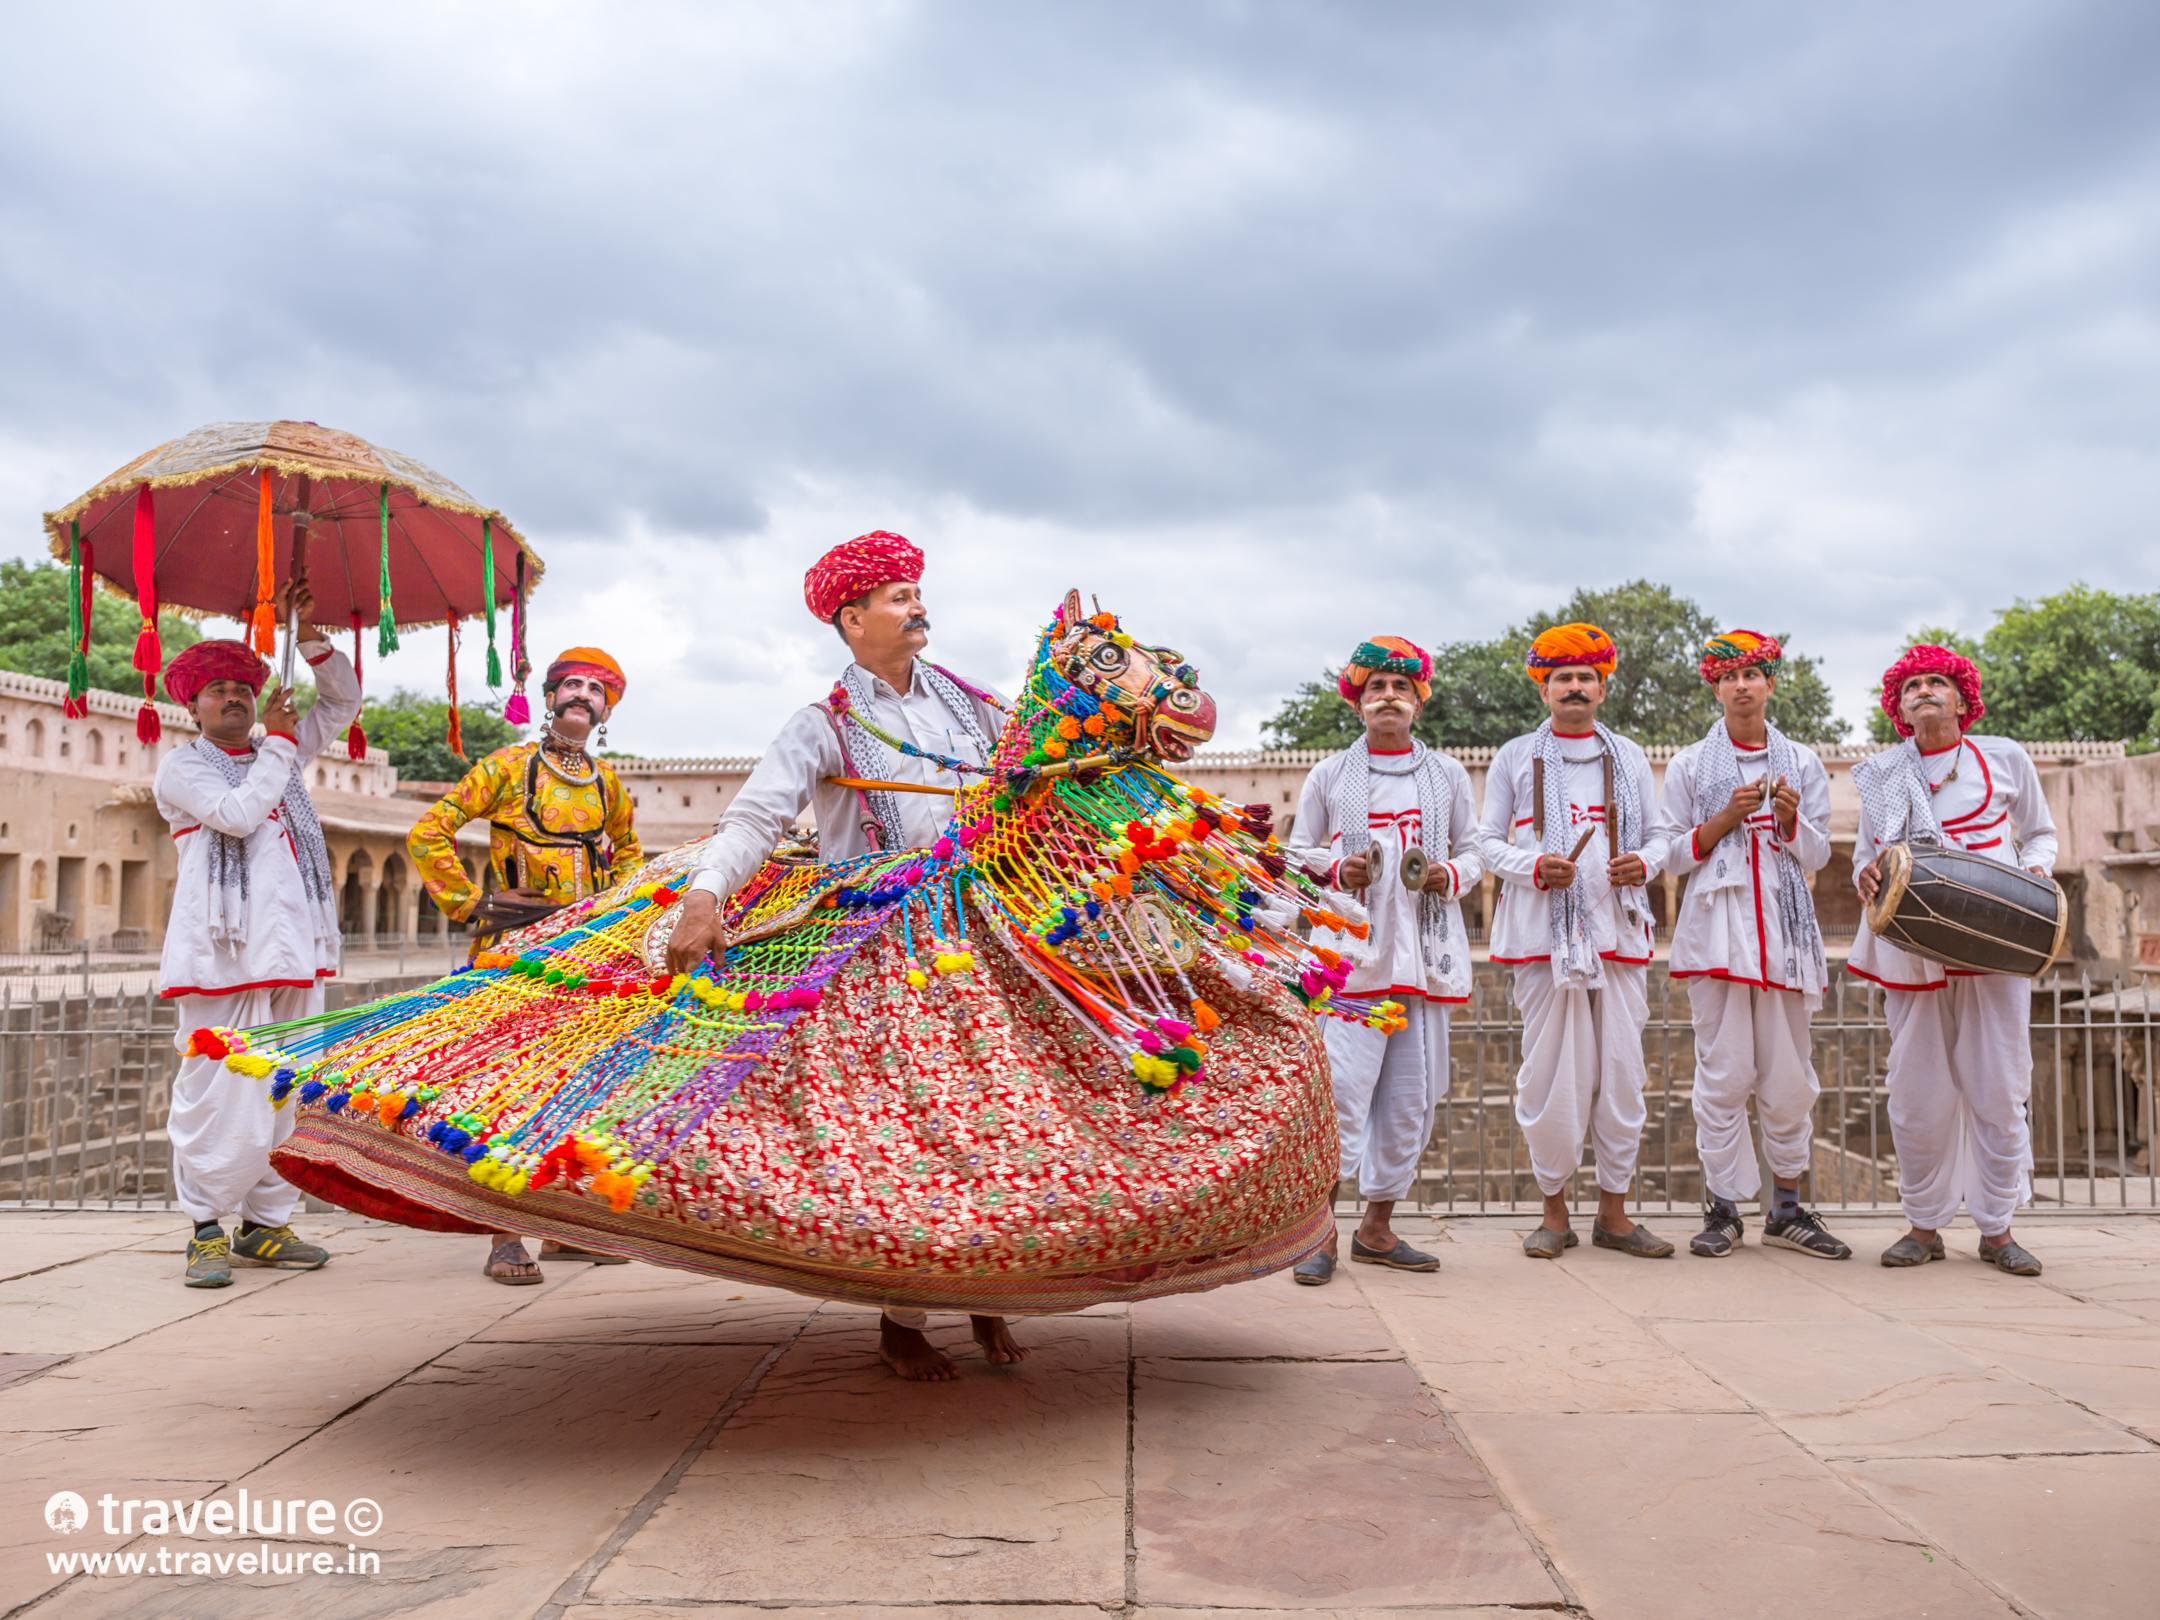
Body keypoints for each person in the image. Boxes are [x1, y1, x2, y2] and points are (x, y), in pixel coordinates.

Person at [666, 529, 1025, 1380]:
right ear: (851, 618)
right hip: (882, 951)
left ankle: (996, 1285)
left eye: (916, 593)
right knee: (916, 1132)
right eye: (898, 597)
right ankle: (904, 1318)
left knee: (1002, 1115)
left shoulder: (979, 710)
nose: (917, 608)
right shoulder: (822, 724)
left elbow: (1037, 784)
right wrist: (706, 895)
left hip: (984, 938)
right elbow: (755, 819)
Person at [407, 646, 642, 1283]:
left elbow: (628, 854)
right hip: (514, 953)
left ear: (606, 709)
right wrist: (472, 901)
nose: (582, 694)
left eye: (597, 689)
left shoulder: (608, 781)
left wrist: (618, 914)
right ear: (548, 697)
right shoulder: (509, 767)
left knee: (582, 1091)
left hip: (588, 957)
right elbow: (429, 831)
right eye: (571, 684)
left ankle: (566, 1231)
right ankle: (504, 1236)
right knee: (508, 1091)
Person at [156, 593, 357, 1287]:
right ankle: (205, 1230)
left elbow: (343, 703)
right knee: (213, 1092)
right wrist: (276, 742)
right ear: (195, 708)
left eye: (244, 687)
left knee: (285, 1091)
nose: (234, 698)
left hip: (295, 954)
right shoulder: (186, 768)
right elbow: (239, 815)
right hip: (220, 959)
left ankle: (266, 1228)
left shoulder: (280, 750)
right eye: (219, 690)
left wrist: (316, 639)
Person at [1851, 644, 2057, 1276]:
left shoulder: (2004, 757)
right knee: (1917, 1096)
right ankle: (1924, 1226)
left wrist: (2031, 875)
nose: (1924, 691)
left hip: (1994, 944)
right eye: (1911, 685)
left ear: (1963, 699)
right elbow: (1870, 854)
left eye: (1937, 681)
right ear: (1898, 707)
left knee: (1998, 1087)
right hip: (1913, 949)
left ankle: (1998, 1230)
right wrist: (1866, 875)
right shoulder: (1883, 773)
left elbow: (2041, 833)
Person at [1286, 638, 1482, 1284]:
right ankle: (1320, 1235)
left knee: (1413, 1101)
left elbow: (1475, 853)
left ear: (1418, 702)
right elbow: (1295, 854)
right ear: (1359, 703)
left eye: (1401, 687)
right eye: (1376, 688)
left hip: (1421, 963)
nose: (1389, 697)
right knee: (1340, 1096)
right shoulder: (1330, 776)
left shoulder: (1448, 776)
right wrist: (1335, 868)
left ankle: (1376, 1228)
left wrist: (1446, 874)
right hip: (1353, 965)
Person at [1478, 623, 1674, 1259]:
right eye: (1562, 678)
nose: (1574, 687)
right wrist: (1534, 866)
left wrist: (1642, 864)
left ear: (1602, 689)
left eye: (1586, 677)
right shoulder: (1514, 757)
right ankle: (1554, 1213)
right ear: (1544, 689)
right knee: (1550, 1078)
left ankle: (1614, 1216)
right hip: (1543, 937)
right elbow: (1485, 842)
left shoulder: (1631, 757)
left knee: (1620, 1076)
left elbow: (1660, 835)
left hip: (1616, 933)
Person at [1654, 630, 1849, 1260]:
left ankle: (1787, 1209)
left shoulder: (1804, 763)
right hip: (1717, 936)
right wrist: (1724, 819)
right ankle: (1724, 1209)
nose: (1742, 685)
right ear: (1715, 686)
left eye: (1753, 674)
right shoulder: (1688, 765)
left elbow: (1819, 853)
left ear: (1769, 683)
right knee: (1724, 1075)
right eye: (1729, 675)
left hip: (1785, 940)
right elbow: (1673, 855)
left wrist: (1790, 821)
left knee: (1790, 1079)